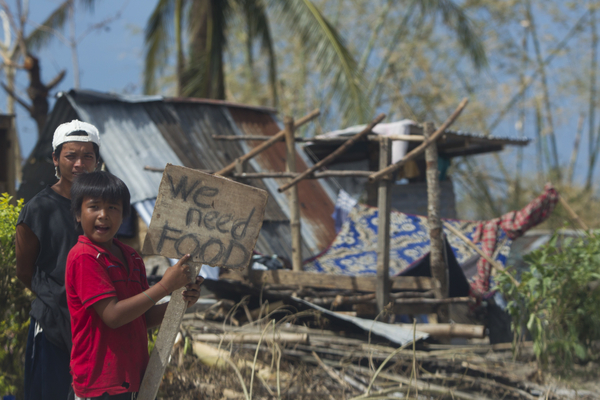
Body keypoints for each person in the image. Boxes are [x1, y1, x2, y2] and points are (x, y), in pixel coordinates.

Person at [65, 171, 203, 399]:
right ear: (78, 214)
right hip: (100, 383)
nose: (103, 215)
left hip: (131, 378)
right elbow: (113, 316)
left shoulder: (131, 256)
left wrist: (180, 302)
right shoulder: (83, 256)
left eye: (112, 207)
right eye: (94, 207)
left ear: (124, 215)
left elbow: (142, 318)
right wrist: (164, 287)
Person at [16, 120, 102, 400]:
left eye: (87, 155)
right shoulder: (37, 210)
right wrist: (59, 299)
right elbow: (25, 272)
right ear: (56, 158)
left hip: (97, 324)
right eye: (70, 155)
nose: (79, 163)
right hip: (53, 326)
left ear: (97, 160)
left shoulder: (104, 208)